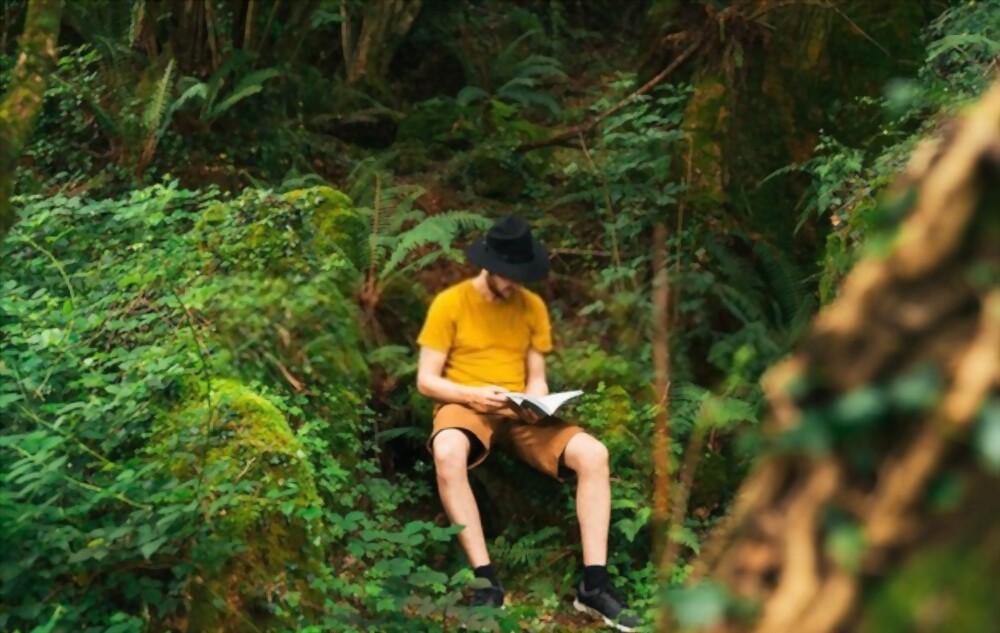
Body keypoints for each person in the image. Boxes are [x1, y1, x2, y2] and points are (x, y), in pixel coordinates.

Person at [415, 216, 641, 632]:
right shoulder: (450, 303)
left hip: (519, 412)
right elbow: (426, 380)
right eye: (510, 275)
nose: (516, 283)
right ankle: (487, 582)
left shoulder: (532, 306)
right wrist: (471, 395)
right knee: (448, 452)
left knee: (594, 454)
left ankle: (594, 586)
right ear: (489, 265)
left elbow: (536, 374)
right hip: (466, 403)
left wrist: (537, 402)